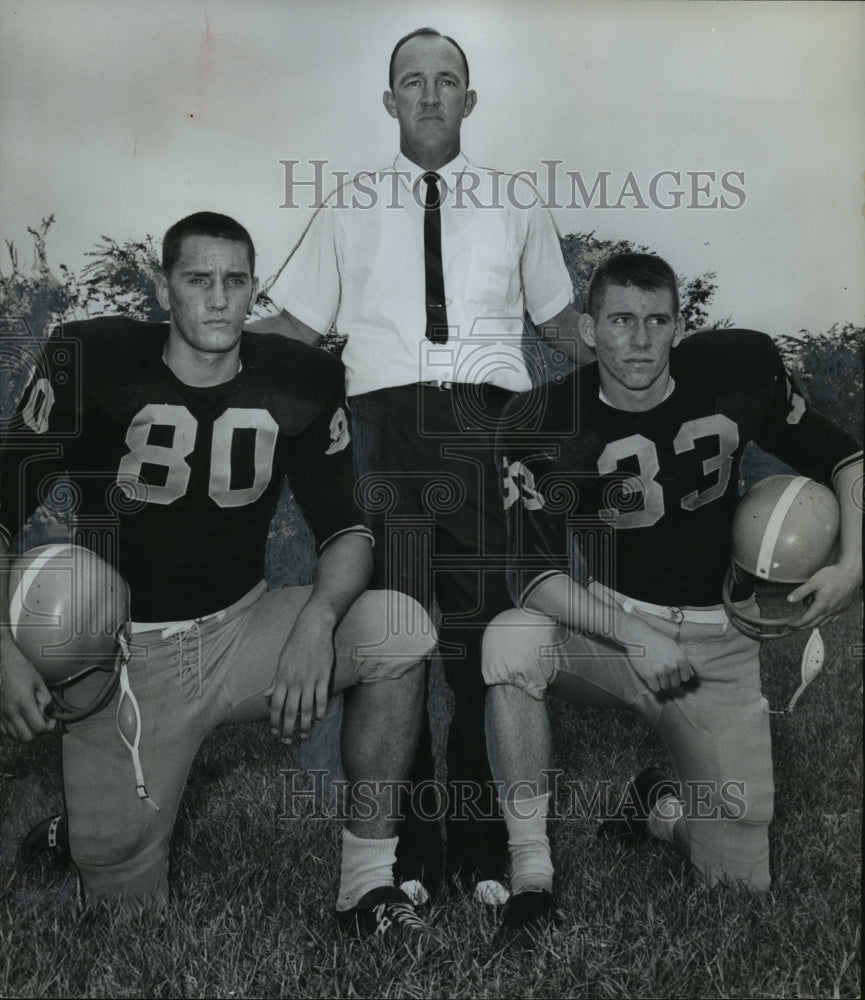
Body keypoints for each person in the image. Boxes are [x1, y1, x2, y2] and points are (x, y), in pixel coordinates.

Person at [0, 212, 440, 942]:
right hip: (123, 656)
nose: (216, 299)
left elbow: (348, 531)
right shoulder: (94, 358)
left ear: (253, 289)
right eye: (197, 279)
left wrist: (315, 624)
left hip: (241, 630)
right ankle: (80, 827)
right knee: (126, 927)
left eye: (235, 281)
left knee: (400, 627)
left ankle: (367, 882)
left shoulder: (302, 378)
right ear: (164, 286)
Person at [259, 26, 586, 904]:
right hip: (383, 433)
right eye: (413, 81)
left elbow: (559, 325)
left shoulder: (517, 201)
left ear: (469, 101)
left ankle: (485, 846)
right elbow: (291, 324)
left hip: (490, 430)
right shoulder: (346, 204)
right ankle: (398, 854)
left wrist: (646, 368)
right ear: (389, 100)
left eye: (447, 81)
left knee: (488, 637)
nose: (430, 95)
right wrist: (182, 344)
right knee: (396, 633)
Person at [483, 252, 863, 941]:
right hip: (611, 633)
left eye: (656, 320)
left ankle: (654, 804)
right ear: (588, 328)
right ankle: (530, 872)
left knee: (739, 886)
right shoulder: (542, 418)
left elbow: (846, 459)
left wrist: (853, 565)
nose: (638, 338)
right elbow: (531, 576)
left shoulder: (735, 371)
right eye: (620, 320)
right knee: (509, 641)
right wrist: (633, 635)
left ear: (678, 325)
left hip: (720, 642)